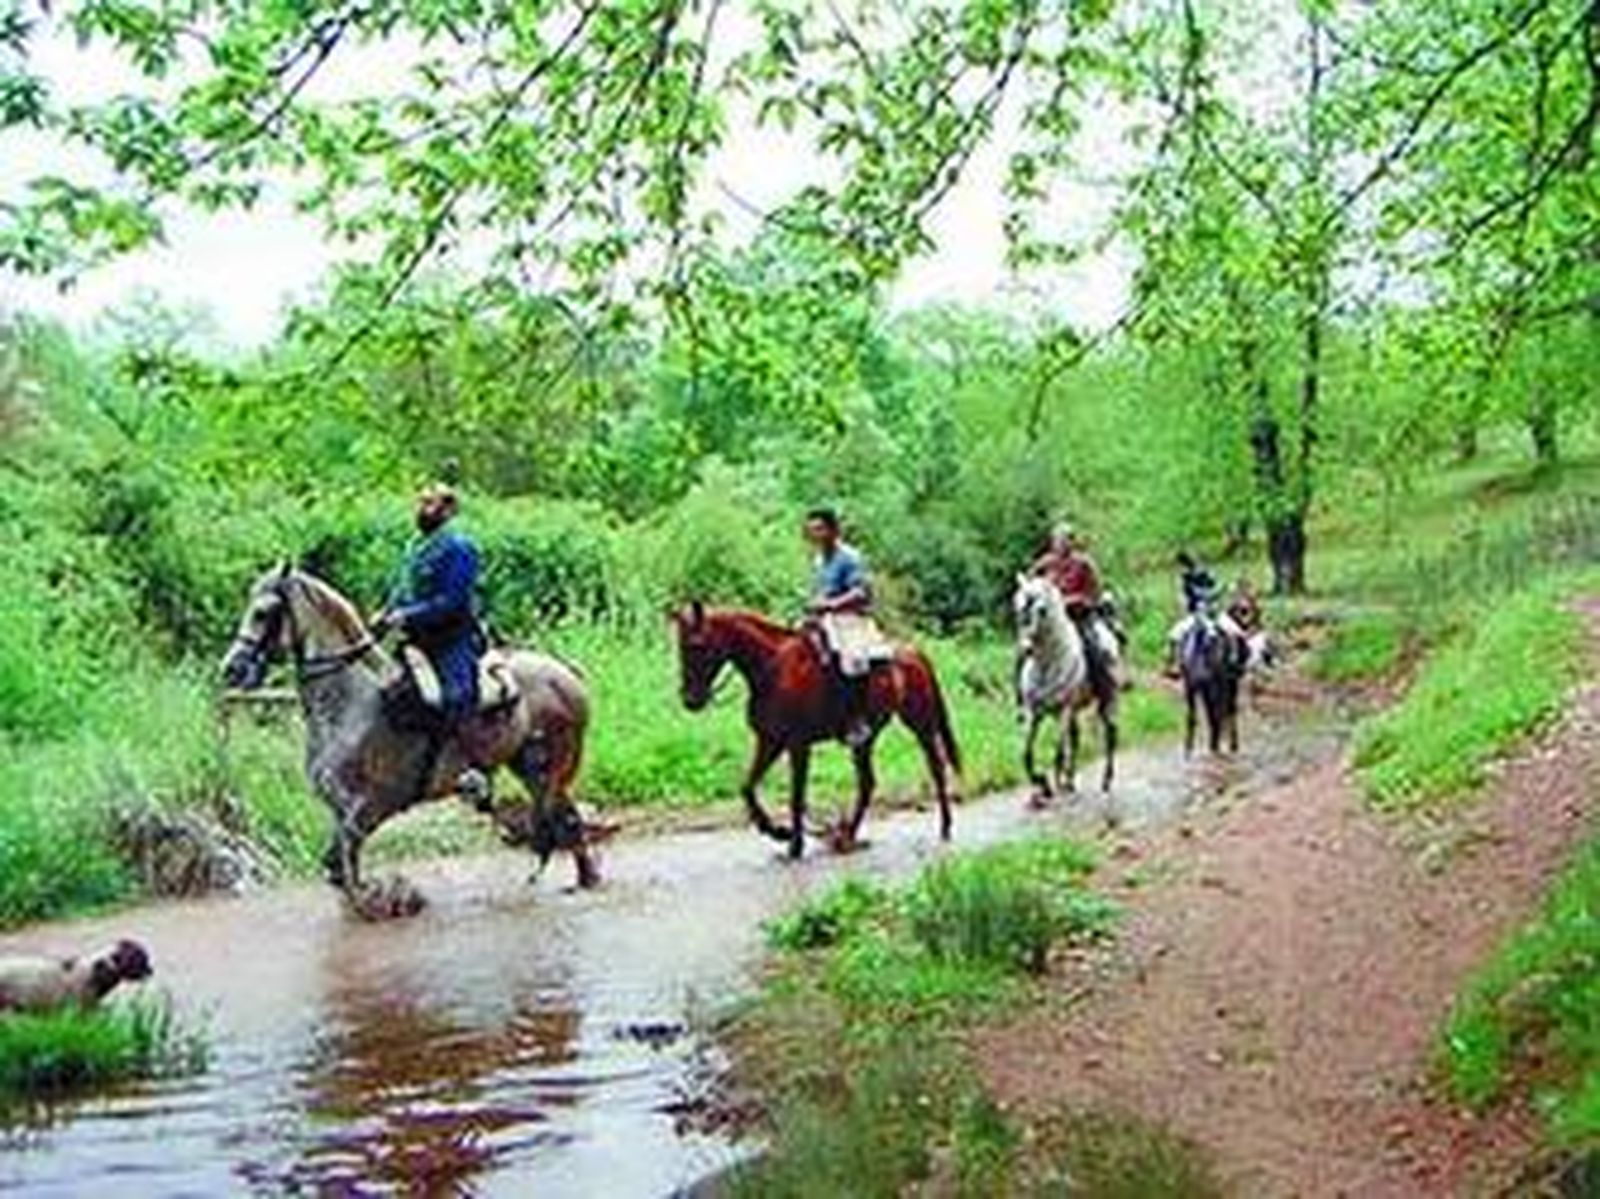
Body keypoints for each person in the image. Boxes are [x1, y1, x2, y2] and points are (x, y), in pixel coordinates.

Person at [374, 483, 490, 800]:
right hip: (415, 639)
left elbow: (453, 600)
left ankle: (473, 770)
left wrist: (406, 615)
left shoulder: (460, 547)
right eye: (421, 503)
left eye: (431, 504)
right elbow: (402, 589)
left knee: (456, 696)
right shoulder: (416, 545)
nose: (423, 509)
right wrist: (386, 612)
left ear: (449, 510)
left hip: (453, 638)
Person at [804, 507, 889, 748]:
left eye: (819, 529)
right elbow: (819, 591)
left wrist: (830, 604)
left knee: (851, 660)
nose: (814, 535)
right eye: (811, 530)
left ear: (833, 530)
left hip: (851, 619)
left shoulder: (850, 557)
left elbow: (861, 593)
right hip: (825, 619)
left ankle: (857, 717)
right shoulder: (819, 560)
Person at [1030, 523, 1121, 694]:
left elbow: (1095, 593)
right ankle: (1023, 697)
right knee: (1026, 649)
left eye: (1065, 540)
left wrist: (1077, 600)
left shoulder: (1084, 564)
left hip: (1079, 618)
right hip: (1050, 622)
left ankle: (1105, 693)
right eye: (1057, 540)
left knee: (1096, 648)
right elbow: (1030, 587)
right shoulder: (1044, 564)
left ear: (1072, 542)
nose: (1061, 544)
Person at [1167, 551, 1241, 675]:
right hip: (1197, 614)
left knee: (1235, 632)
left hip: (1213, 613)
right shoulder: (1188, 580)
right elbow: (1193, 595)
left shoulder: (1204, 577)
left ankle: (1235, 659)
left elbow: (1214, 589)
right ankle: (1175, 662)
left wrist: (1224, 589)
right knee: (1175, 635)